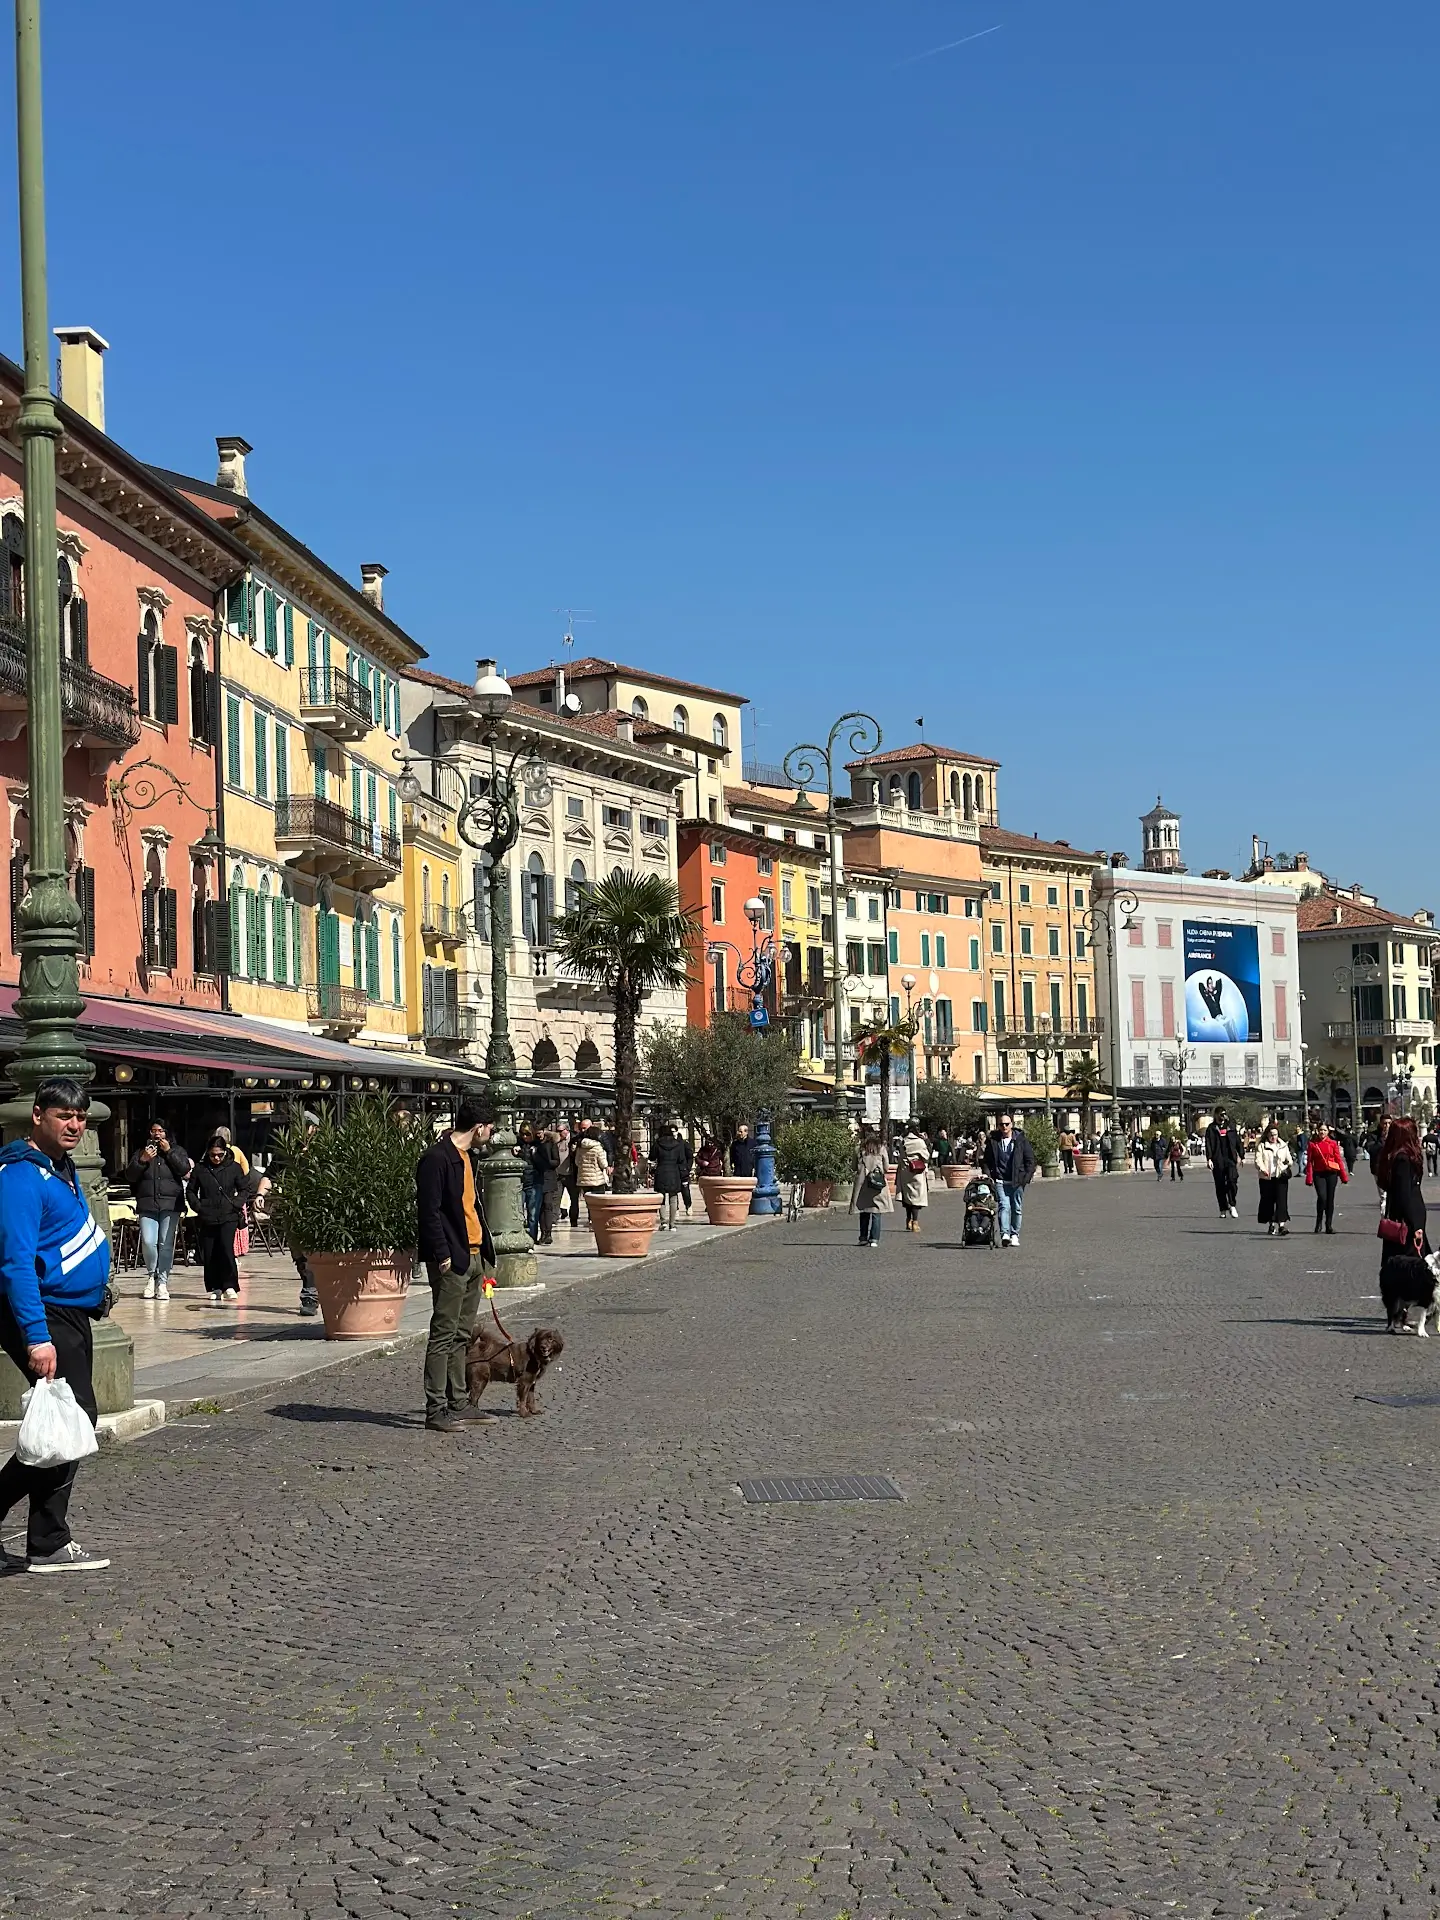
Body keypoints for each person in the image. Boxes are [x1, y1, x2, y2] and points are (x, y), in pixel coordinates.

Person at [0, 1078, 113, 1574]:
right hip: (45, 1313)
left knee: (71, 1420)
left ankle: (47, 1539)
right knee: (72, 1419)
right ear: (38, 1116)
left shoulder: (62, 1168)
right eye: (64, 1115)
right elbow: (16, 1263)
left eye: (81, 1116)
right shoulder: (21, 1176)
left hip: (71, 1311)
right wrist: (37, 1337)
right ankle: (48, 1542)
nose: (74, 1125)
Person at [416, 1100, 496, 1434]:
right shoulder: (436, 1158)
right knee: (444, 1334)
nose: (491, 1134)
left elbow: (472, 1207)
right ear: (478, 1128)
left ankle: (458, 1402)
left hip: (473, 1256)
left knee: (462, 1334)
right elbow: (429, 1210)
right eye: (490, 1128)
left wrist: (484, 1254)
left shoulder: (467, 1158)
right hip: (451, 1258)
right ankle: (436, 1409)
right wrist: (442, 1253)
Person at [186, 1136, 263, 1305]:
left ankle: (230, 1285)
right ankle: (215, 1286)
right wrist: (198, 1206)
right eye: (213, 1155)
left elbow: (244, 1188)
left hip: (228, 1215)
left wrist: (236, 1203)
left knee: (226, 1249)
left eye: (220, 1155)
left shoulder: (233, 1167)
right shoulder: (200, 1169)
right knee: (210, 1252)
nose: (216, 1158)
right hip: (207, 1215)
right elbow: (191, 1190)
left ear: (225, 1152)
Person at [124, 1120, 192, 1302]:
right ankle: (151, 1276)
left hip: (171, 1204)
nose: (157, 1134)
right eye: (153, 1131)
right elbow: (130, 1175)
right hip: (147, 1204)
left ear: (166, 1133)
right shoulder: (141, 1152)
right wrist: (142, 1161)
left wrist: (169, 1152)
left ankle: (162, 1282)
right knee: (148, 1242)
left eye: (160, 1131)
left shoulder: (177, 1150)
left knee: (165, 1243)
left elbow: (185, 1170)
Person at [1378, 1116, 1429, 1277]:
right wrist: (1415, 1225)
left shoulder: (1394, 1157)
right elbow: (1404, 1195)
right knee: (1413, 1264)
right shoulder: (1403, 1159)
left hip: (1402, 1217)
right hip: (1408, 1220)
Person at [982, 1113, 1037, 1248]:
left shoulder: (1021, 1140)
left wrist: (1026, 1178)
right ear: (998, 1126)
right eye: (1001, 1124)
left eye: (1007, 1124)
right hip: (1000, 1180)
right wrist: (989, 1176)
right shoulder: (993, 1141)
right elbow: (986, 1161)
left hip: (1017, 1180)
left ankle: (1014, 1234)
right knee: (1004, 1206)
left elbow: (1030, 1160)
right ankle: (1005, 1234)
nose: (1004, 1127)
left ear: (1011, 1125)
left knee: (1016, 1208)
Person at [849, 1129, 892, 1246]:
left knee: (864, 1210)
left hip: (862, 1183)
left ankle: (863, 1238)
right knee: (876, 1211)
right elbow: (887, 1167)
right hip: (877, 1183)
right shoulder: (881, 1149)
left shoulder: (858, 1149)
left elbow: (853, 1167)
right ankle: (874, 1239)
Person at [1305, 1120, 1348, 1234]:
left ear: (1328, 1131)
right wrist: (1309, 1177)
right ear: (1317, 1131)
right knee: (1322, 1197)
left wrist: (1343, 1176)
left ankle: (1328, 1225)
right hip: (1318, 1174)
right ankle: (1319, 1221)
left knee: (1330, 1199)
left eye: (1324, 1130)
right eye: (1320, 1130)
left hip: (1331, 1173)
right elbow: (1309, 1162)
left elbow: (1338, 1159)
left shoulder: (1333, 1143)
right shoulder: (1313, 1144)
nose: (1322, 1132)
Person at [1255, 1123, 1295, 1236]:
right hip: (1267, 1178)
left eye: (1275, 1135)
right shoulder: (1262, 1146)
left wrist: (1286, 1164)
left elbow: (1290, 1160)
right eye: (1271, 1135)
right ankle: (1271, 1224)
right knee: (1268, 1202)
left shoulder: (1283, 1145)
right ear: (1267, 1135)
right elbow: (1258, 1160)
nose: (1273, 1137)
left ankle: (1281, 1225)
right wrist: (1263, 1169)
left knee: (1281, 1201)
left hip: (1280, 1177)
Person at [653, 1125, 692, 1231]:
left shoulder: (658, 1143)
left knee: (661, 1198)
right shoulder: (678, 1144)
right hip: (674, 1172)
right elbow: (681, 1159)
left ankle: (663, 1222)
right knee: (673, 1197)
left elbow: (652, 1156)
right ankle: (672, 1224)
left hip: (661, 1172)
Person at [1204, 1106, 1242, 1218]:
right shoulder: (1211, 1128)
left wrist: (1241, 1155)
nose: (1222, 1117)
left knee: (1232, 1181)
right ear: (1216, 1115)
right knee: (1220, 1185)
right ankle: (1223, 1208)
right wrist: (1209, 1159)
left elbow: (1237, 1141)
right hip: (1217, 1159)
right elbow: (1208, 1144)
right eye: (1220, 1114)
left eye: (1224, 1114)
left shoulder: (1230, 1126)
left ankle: (1232, 1204)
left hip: (1230, 1158)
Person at [573, 1122, 611, 1223]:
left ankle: (591, 1218)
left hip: (584, 1179)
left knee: (589, 1202)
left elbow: (577, 1162)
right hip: (597, 1179)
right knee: (598, 1202)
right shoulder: (598, 1147)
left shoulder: (580, 1147)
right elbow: (603, 1163)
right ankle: (597, 1220)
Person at [897, 1128, 930, 1232]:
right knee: (916, 1197)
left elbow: (900, 1155)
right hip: (917, 1171)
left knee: (907, 1196)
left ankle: (908, 1220)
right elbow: (926, 1156)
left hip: (905, 1171)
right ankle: (915, 1222)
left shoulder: (903, 1141)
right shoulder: (919, 1142)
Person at [517, 1122, 545, 1243]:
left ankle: (531, 1239)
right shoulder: (517, 1145)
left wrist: (534, 1155)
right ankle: (521, 1238)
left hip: (534, 1182)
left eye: (527, 1134)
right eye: (522, 1134)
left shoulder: (539, 1146)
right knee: (518, 1213)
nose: (525, 1137)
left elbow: (545, 1165)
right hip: (520, 1183)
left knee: (533, 1214)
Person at [535, 1127, 562, 1245]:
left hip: (549, 1178)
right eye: (537, 1133)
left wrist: (546, 1162)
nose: (539, 1135)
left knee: (548, 1205)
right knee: (540, 1207)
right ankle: (543, 1233)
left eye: (540, 1133)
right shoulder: (535, 1145)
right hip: (538, 1178)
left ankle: (548, 1233)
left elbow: (556, 1161)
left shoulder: (551, 1144)